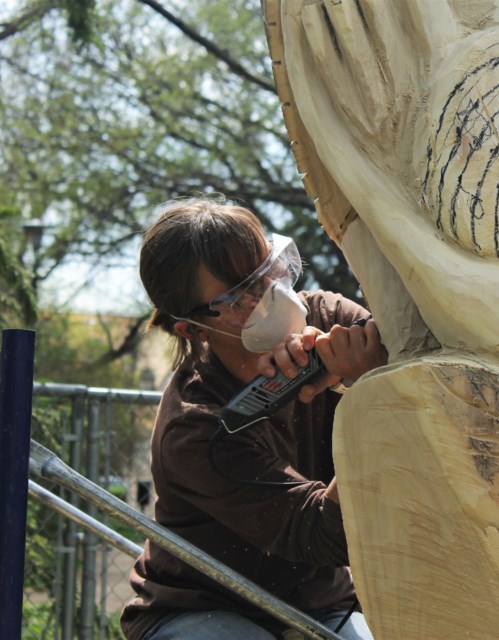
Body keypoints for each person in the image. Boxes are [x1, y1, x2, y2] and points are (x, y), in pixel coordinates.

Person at [120, 197, 386, 640]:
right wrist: (374, 392)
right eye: (242, 297)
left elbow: (431, 363)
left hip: (324, 604)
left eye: (271, 271)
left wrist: (375, 361)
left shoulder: (331, 320)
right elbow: (326, 536)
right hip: (201, 611)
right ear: (191, 327)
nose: (273, 296)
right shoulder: (197, 425)